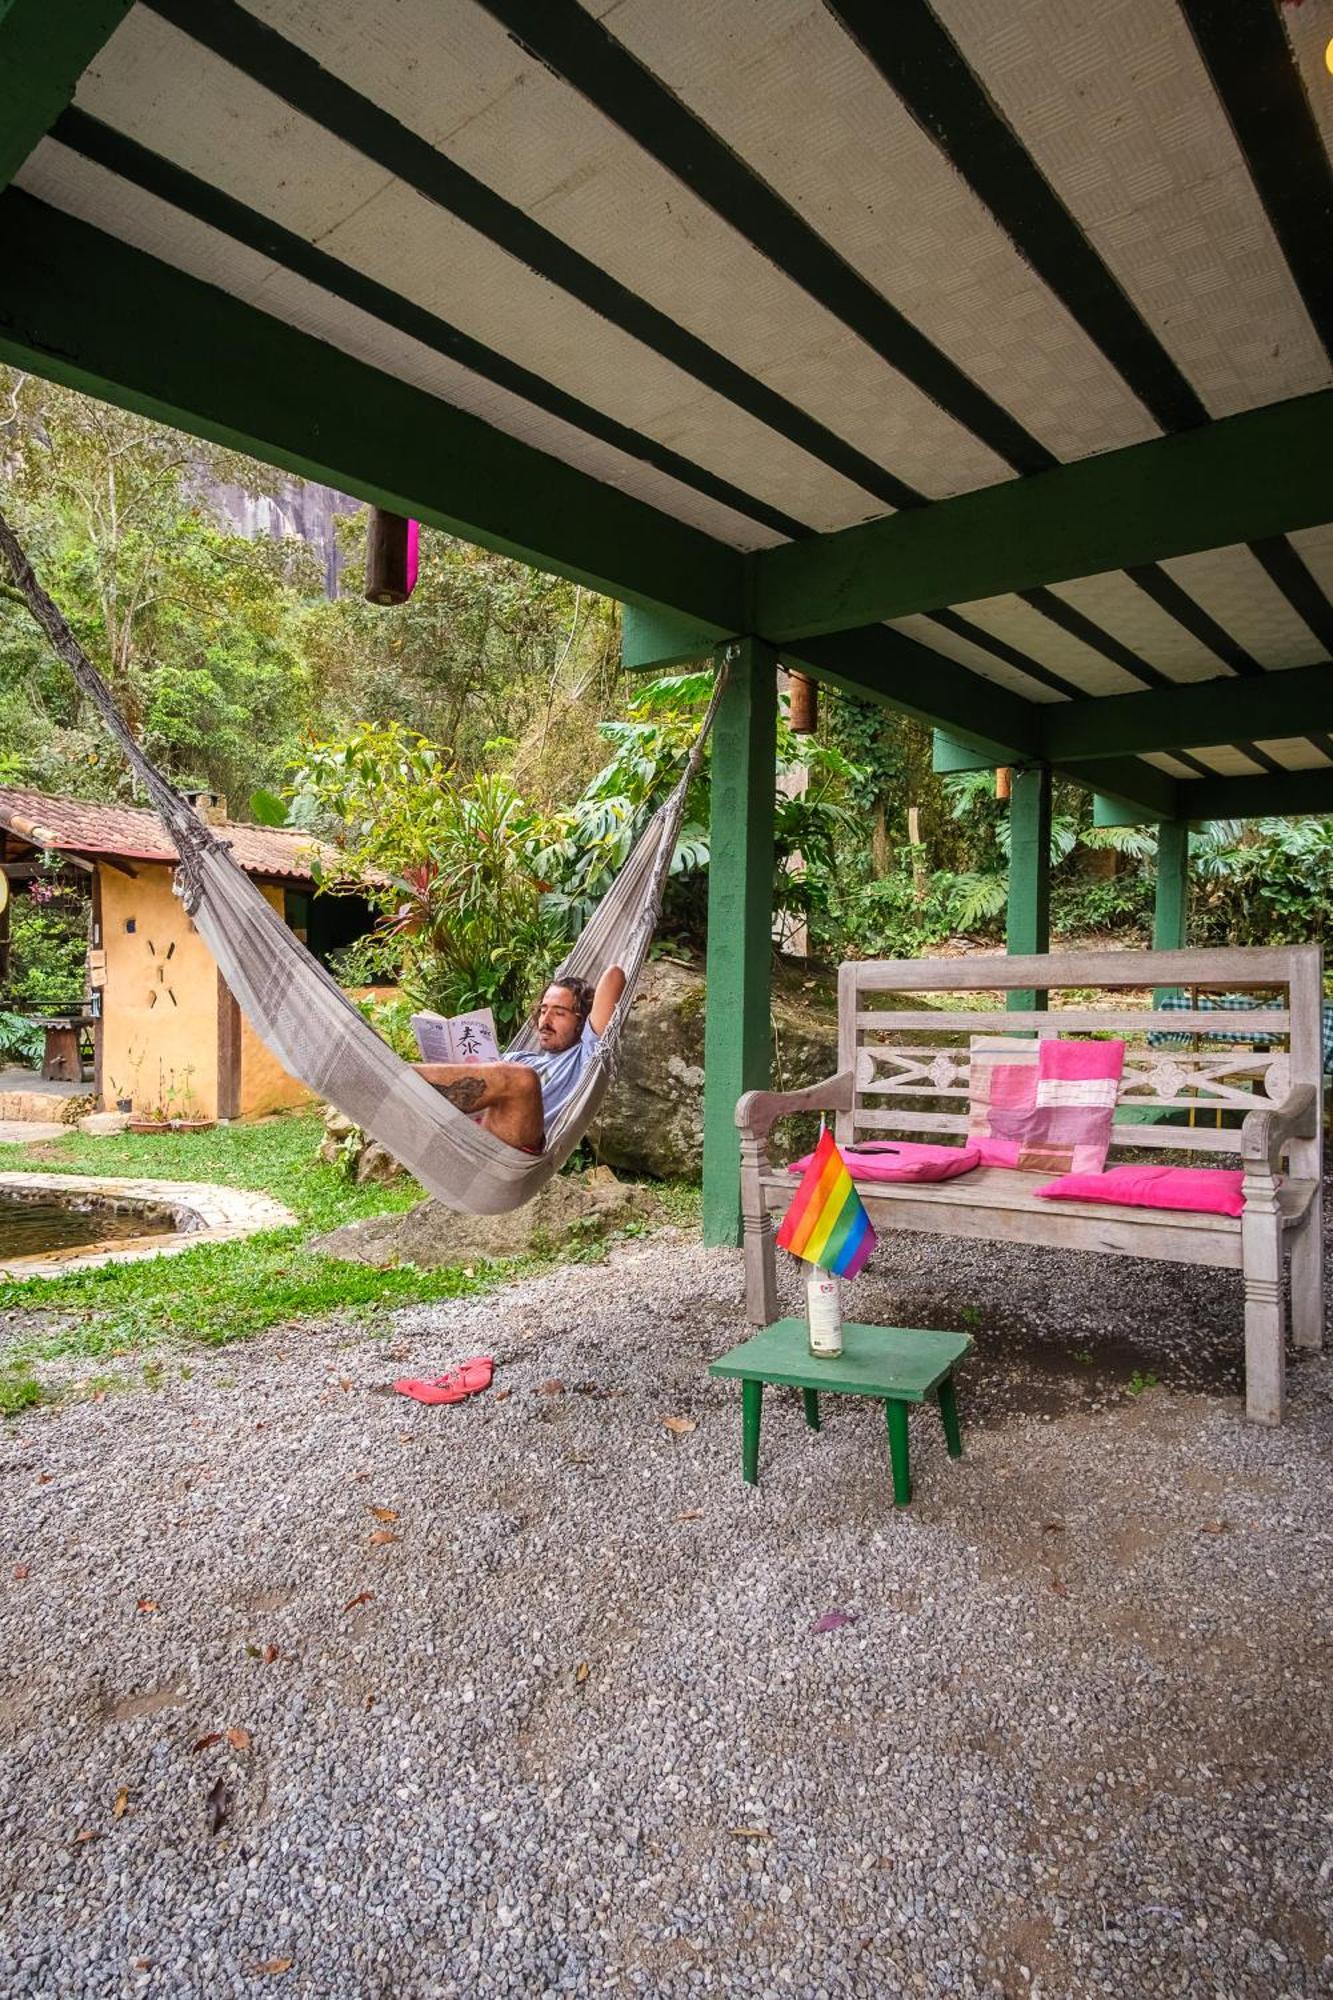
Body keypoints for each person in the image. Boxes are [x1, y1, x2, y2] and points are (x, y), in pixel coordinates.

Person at [414, 964, 626, 1152]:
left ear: (581, 1021)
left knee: (523, 1078)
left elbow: (614, 976)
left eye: (559, 1013)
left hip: (518, 1150)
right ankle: (396, 1077)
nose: (545, 1021)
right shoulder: (521, 1057)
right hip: (469, 1131)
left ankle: (400, 1075)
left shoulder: (585, 1057)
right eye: (543, 1011)